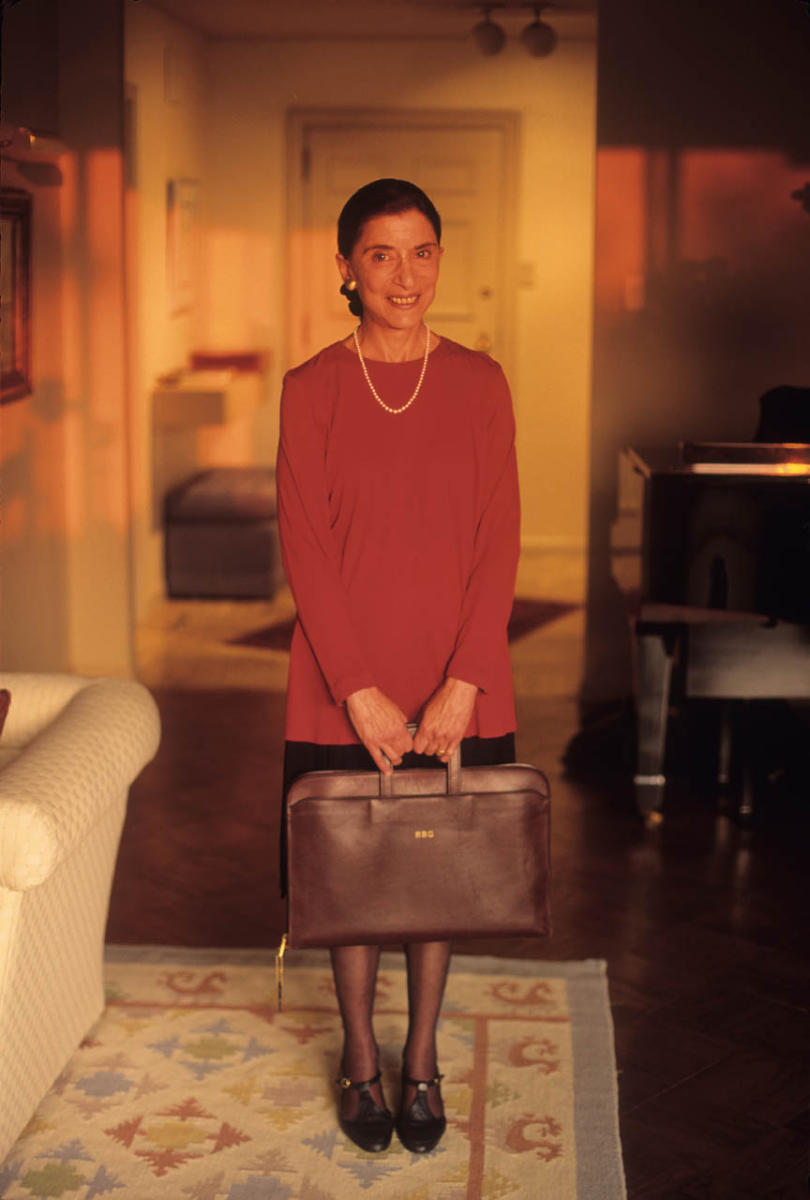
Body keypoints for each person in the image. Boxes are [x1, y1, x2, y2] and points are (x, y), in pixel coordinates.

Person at [276, 178, 520, 1155]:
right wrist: (359, 691)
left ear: (441, 259)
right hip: (340, 678)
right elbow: (306, 545)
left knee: (437, 874)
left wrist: (466, 677)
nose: (404, 274)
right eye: (381, 253)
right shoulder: (310, 389)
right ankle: (360, 1060)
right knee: (350, 881)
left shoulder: (480, 382)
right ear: (346, 266)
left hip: (459, 669)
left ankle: (420, 1057)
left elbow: (499, 538)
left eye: (421, 251)